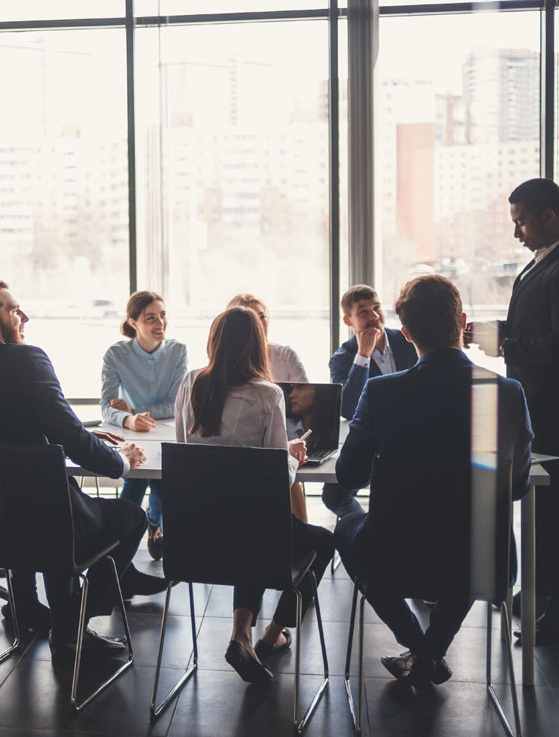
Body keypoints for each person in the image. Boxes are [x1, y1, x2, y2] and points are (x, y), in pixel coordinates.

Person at [0, 280, 168, 666]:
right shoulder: (27, 359)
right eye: (14, 310)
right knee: (131, 517)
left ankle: (38, 614)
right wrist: (123, 463)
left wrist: (71, 433)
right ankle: (70, 626)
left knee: (56, 507)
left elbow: (4, 429)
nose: (24, 316)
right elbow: (72, 440)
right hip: (46, 525)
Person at [335, 275, 532, 689]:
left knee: (348, 529)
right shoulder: (506, 392)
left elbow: (347, 476)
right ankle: (432, 650)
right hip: (485, 560)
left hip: (397, 555)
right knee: (471, 537)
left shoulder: (382, 393)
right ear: (462, 321)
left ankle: (419, 645)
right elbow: (516, 488)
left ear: (406, 333)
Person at [467, 178, 559, 644]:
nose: (516, 232)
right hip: (540, 405)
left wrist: (507, 344)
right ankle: (543, 592)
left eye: (522, 221)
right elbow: (537, 324)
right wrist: (495, 331)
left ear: (549, 216)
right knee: (543, 505)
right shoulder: (546, 261)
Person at [174, 307, 335, 684]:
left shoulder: (190, 382)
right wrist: (291, 456)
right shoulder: (267, 394)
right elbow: (277, 479)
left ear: (214, 341)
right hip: (255, 537)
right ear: (257, 346)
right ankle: (271, 634)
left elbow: (184, 453)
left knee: (253, 527)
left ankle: (242, 636)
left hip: (196, 539)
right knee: (319, 542)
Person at [101, 291, 188, 561]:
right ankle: (118, 550)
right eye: (151, 318)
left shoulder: (178, 351)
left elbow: (176, 404)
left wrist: (133, 412)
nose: (160, 323)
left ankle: (153, 523)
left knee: (161, 482)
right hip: (132, 434)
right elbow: (106, 406)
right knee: (135, 480)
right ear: (133, 322)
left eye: (163, 315)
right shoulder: (116, 354)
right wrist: (127, 419)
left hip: (168, 434)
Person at [323, 284, 417, 518]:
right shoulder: (342, 358)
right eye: (363, 311)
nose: (374, 316)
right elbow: (347, 409)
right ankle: (367, 526)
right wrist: (363, 355)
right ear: (348, 320)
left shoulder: (408, 341)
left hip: (411, 438)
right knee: (334, 495)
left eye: (377, 308)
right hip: (370, 441)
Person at [227, 293, 310, 521]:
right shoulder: (268, 392)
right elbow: (278, 468)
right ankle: (294, 533)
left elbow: (305, 396)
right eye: (250, 319)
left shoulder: (285, 355)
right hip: (255, 447)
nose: (258, 324)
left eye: (262, 316)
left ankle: (296, 529)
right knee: (284, 469)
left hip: (287, 430)